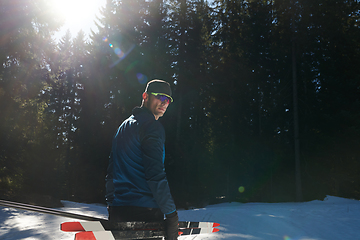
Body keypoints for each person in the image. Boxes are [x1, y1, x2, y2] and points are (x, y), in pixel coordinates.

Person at [105, 79, 178, 240]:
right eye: (160, 97)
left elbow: (111, 172)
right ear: (145, 96)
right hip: (146, 213)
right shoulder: (151, 126)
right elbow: (155, 174)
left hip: (119, 211)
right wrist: (171, 215)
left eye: (168, 100)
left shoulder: (123, 126)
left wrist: (112, 204)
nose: (164, 103)